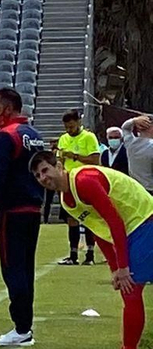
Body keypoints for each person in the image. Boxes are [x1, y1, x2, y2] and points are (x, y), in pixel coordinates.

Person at [30, 150, 153, 349]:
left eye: (45, 170)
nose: (43, 178)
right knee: (130, 291)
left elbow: (114, 221)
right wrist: (115, 268)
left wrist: (123, 267)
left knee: (131, 290)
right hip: (135, 228)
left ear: (59, 166)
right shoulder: (67, 201)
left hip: (144, 220)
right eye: (38, 176)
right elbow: (99, 230)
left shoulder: (83, 182)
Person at [0, 88, 46, 348]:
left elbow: (0, 176)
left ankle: (21, 328)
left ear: (8, 109)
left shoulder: (6, 135)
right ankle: (24, 326)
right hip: (33, 209)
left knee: (12, 269)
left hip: (12, 211)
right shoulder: (34, 135)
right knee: (26, 268)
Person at [56, 110, 101, 265]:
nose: (69, 130)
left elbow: (95, 160)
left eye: (71, 127)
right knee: (71, 218)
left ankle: (90, 255)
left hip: (86, 182)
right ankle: (73, 255)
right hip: (69, 183)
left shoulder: (89, 137)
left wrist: (74, 156)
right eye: (66, 127)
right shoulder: (63, 139)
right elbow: (60, 161)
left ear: (78, 123)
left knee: (88, 218)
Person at [124, 116, 153, 192]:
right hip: (150, 189)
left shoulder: (130, 143)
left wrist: (134, 121)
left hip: (135, 189)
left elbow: (125, 128)